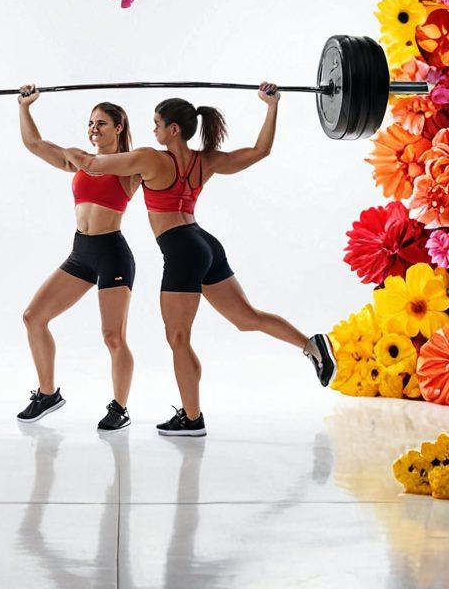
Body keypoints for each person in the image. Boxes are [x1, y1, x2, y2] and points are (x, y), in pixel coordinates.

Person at [63, 85, 335, 437]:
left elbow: (91, 164)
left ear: (173, 129)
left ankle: (192, 419)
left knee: (178, 338)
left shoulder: (151, 159)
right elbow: (260, 151)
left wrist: (68, 152)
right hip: (205, 243)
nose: (153, 130)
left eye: (157, 124)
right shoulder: (206, 161)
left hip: (181, 250)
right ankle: (311, 345)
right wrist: (272, 106)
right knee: (247, 318)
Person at [16, 85, 141, 432]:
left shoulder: (130, 167)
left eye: (101, 123)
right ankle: (47, 394)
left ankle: (120, 408)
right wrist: (25, 107)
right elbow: (34, 144)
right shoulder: (80, 161)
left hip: (112, 254)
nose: (93, 129)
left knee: (113, 337)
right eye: (90, 123)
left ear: (118, 128)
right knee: (33, 317)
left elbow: (170, 164)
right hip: (81, 253)